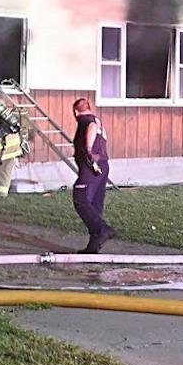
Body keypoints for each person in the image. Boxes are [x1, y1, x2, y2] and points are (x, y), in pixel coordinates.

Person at [69, 96, 114, 253]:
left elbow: (91, 127)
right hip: (102, 165)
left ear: (76, 112)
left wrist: (88, 150)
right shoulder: (98, 120)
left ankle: (102, 230)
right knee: (94, 205)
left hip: (91, 166)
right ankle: (93, 245)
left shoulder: (86, 121)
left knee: (80, 198)